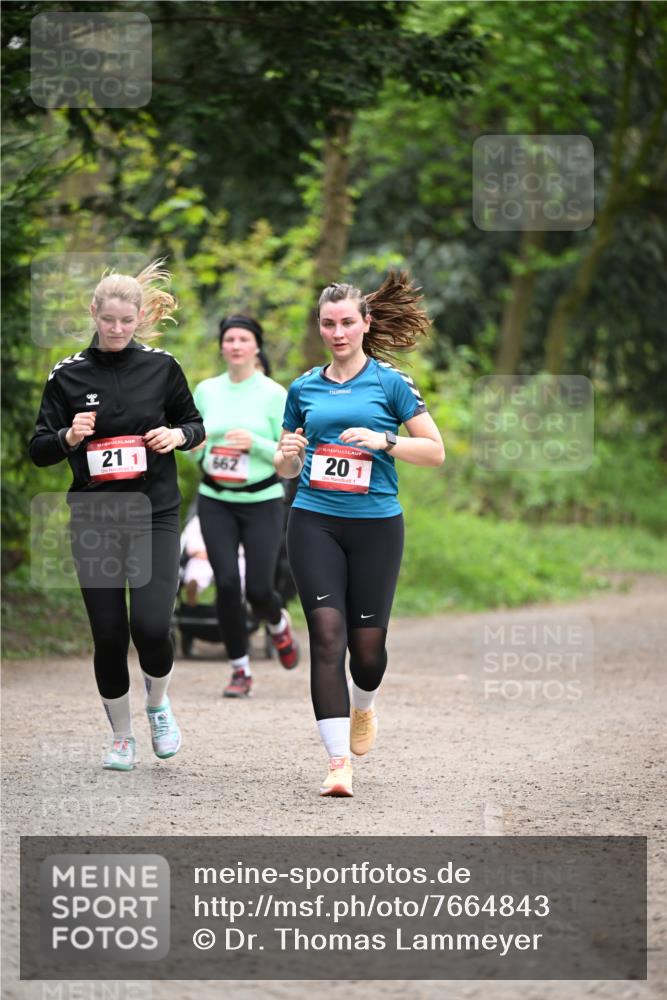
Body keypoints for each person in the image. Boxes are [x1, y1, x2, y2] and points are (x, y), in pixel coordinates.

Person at [29, 261, 205, 772]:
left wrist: (177, 436)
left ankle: (158, 705)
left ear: (140, 318)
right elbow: (38, 449)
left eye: (127, 321)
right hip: (95, 518)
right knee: (108, 634)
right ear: (94, 313)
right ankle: (122, 736)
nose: (117, 329)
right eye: (108, 319)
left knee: (150, 625)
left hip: (154, 514)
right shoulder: (67, 375)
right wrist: (68, 437)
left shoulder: (163, 368)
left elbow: (194, 424)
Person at [274, 272, 445, 797]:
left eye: (347, 322)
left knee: (367, 652)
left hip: (376, 525)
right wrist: (287, 457)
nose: (338, 332)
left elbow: (435, 452)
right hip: (313, 520)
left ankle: (363, 705)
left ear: (366, 323)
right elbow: (285, 465)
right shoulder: (303, 387)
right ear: (320, 327)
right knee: (327, 635)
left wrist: (384, 440)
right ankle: (337, 764)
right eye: (329, 324)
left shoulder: (391, 383)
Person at [193, 315, 299, 698]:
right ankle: (240, 669)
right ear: (222, 346)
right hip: (215, 499)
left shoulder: (274, 394)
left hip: (262, 500)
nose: (236, 345)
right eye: (229, 339)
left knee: (258, 588)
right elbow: (193, 443)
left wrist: (254, 443)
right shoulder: (206, 390)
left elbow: (289, 454)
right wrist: (198, 450)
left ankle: (277, 623)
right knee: (225, 584)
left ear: (257, 347)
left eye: (243, 339)